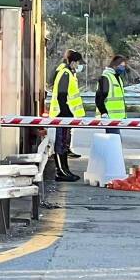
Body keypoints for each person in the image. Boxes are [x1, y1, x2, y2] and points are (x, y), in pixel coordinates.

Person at [49, 49, 85, 182]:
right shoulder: (65, 73)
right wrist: (66, 113)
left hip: (66, 115)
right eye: (78, 63)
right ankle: (61, 172)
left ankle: (66, 170)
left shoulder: (69, 73)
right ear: (73, 62)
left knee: (64, 144)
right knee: (61, 144)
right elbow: (61, 95)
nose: (79, 66)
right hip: (62, 114)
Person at [96, 55, 128, 134]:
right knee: (114, 142)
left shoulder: (117, 78)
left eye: (124, 66)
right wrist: (104, 113)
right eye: (121, 66)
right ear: (114, 65)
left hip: (118, 119)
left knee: (114, 142)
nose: (122, 68)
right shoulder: (106, 78)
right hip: (109, 118)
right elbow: (99, 98)